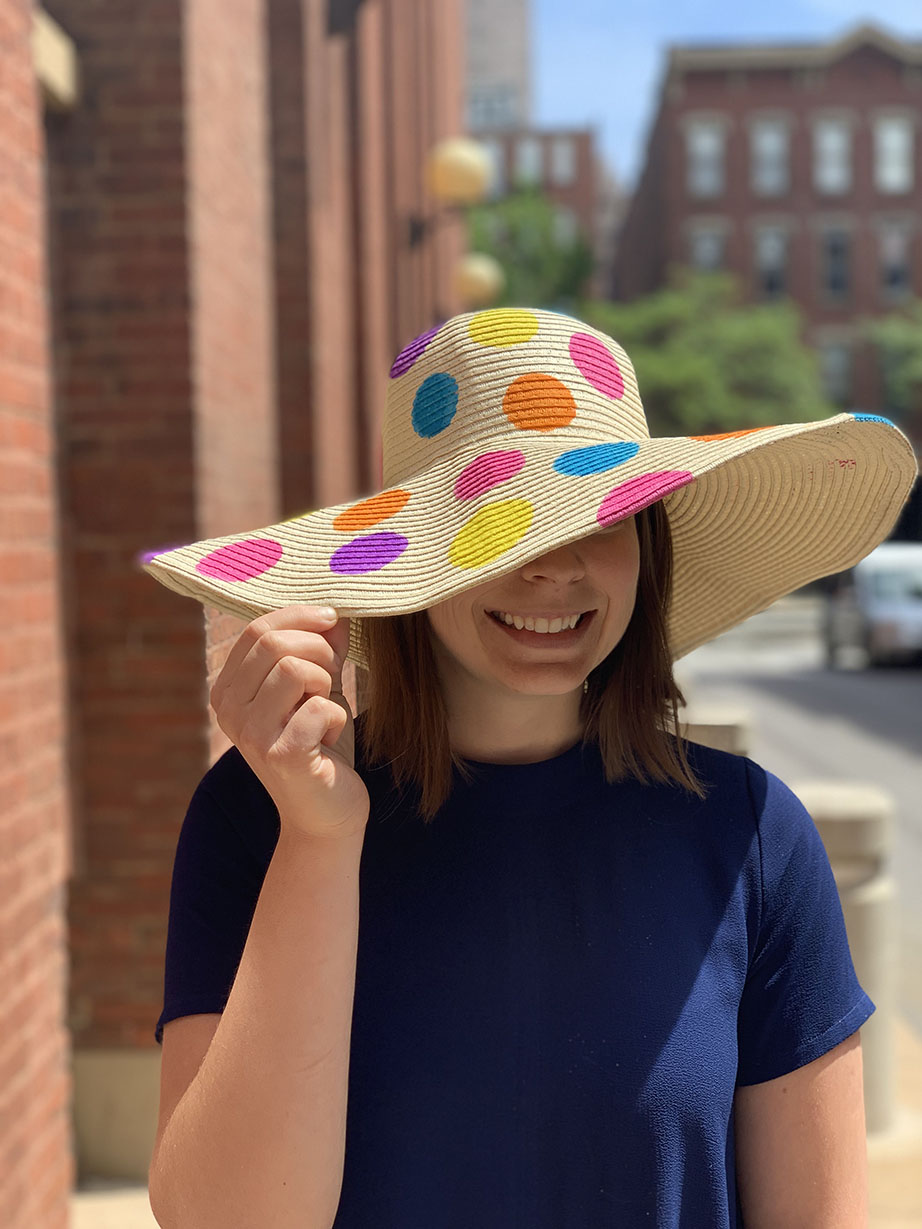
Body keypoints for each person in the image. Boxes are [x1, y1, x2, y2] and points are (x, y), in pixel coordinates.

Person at [140, 308, 917, 1228]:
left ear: (648, 545)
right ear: (416, 556)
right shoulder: (256, 817)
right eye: (500, 525)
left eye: (603, 514)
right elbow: (226, 1217)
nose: (554, 569)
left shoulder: (752, 836)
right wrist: (319, 838)